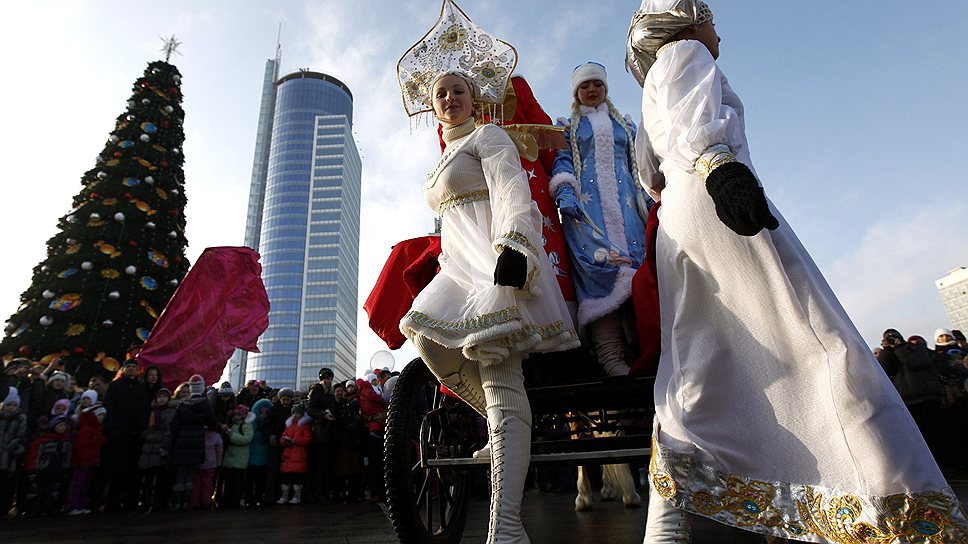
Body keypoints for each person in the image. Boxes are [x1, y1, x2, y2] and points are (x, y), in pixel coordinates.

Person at [627, 2, 968, 541]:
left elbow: (647, 171)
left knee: (696, 369)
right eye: (710, 15)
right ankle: (889, 500)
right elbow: (697, 124)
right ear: (688, 23)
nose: (717, 29)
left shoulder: (649, 89)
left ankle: (672, 520)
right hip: (716, 201)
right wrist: (723, 170)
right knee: (816, 345)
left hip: (677, 223)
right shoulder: (687, 51)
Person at [396, 2, 579, 541]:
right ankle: (506, 427)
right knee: (428, 343)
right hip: (457, 270)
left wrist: (516, 248)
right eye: (440, 93)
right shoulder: (441, 158)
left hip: (496, 269)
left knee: (502, 381)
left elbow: (513, 192)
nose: (450, 99)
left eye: (458, 90)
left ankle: (508, 527)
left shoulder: (489, 139)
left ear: (476, 99)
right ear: (431, 107)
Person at [550, 62, 650, 377]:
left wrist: (650, 198)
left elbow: (642, 162)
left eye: (597, 84)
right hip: (587, 214)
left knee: (638, 273)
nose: (591, 90)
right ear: (576, 93)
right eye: (585, 86)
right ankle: (610, 357)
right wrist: (565, 192)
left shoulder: (626, 125)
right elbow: (563, 159)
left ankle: (645, 351)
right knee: (599, 274)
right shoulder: (567, 126)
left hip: (629, 211)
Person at [101, 358, 150, 511]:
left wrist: (140, 428)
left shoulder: (141, 388)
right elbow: (109, 407)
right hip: (118, 434)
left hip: (135, 435)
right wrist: (112, 430)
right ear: (123, 369)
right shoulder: (115, 386)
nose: (130, 369)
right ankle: (113, 502)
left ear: (137, 370)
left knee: (133, 471)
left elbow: (144, 409)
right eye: (128, 366)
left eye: (133, 367)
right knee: (116, 470)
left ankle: (131, 501)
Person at [170, 374, 220, 511]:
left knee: (181, 473)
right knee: (192, 472)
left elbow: (173, 424)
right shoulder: (205, 404)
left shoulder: (182, 404)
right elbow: (212, 422)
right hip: (198, 441)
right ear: (202, 387)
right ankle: (188, 502)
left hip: (182, 442)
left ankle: (177, 502)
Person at [22, 414, 72, 516]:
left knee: (52, 491)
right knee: (36, 491)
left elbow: (68, 456)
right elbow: (34, 456)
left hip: (57, 470)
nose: (62, 428)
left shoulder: (67, 441)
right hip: (42, 470)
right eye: (59, 425)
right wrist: (32, 470)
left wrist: (66, 469)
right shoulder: (42, 441)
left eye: (64, 426)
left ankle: (47, 509)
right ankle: (32, 510)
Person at [65, 390, 105, 515]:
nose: (101, 419)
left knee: (86, 484)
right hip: (83, 461)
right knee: (78, 483)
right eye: (99, 416)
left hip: (91, 461)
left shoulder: (96, 429)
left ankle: (81, 504)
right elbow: (82, 445)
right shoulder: (85, 429)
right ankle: (73, 505)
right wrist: (85, 459)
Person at [138, 387, 175, 512]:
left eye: (164, 397)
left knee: (160, 478)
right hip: (149, 449)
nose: (162, 399)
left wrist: (165, 447)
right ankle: (145, 501)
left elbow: (169, 431)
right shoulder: (153, 412)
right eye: (159, 397)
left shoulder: (170, 413)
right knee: (147, 478)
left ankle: (157, 502)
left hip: (159, 448)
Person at [306, 367, 337, 503]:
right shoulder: (316, 390)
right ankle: (320, 493)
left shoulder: (330, 392)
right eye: (326, 379)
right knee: (321, 463)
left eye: (330, 379)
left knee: (328, 463)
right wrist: (322, 414)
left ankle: (326, 492)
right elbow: (310, 408)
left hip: (329, 430)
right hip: (320, 430)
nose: (329, 381)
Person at [277, 403, 312, 505]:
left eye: (297, 413)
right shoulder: (289, 425)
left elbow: (308, 439)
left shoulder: (305, 426)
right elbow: (283, 436)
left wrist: (295, 440)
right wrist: (284, 441)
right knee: (286, 479)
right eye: (293, 413)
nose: (295, 415)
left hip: (299, 455)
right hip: (288, 455)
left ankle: (297, 496)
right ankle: (284, 495)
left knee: (297, 479)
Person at [0, 387, 27, 517]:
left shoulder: (20, 419)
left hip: (11, 457)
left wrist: (15, 448)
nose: (11, 408)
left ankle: (5, 507)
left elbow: (21, 436)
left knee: (8, 484)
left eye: (14, 405)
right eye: (8, 405)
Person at [245, 398, 273, 506]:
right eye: (262, 412)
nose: (263, 414)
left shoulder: (268, 425)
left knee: (260, 479)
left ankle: (258, 496)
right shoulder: (251, 424)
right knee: (250, 479)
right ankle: (249, 497)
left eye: (266, 412)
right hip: (253, 456)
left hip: (263, 456)